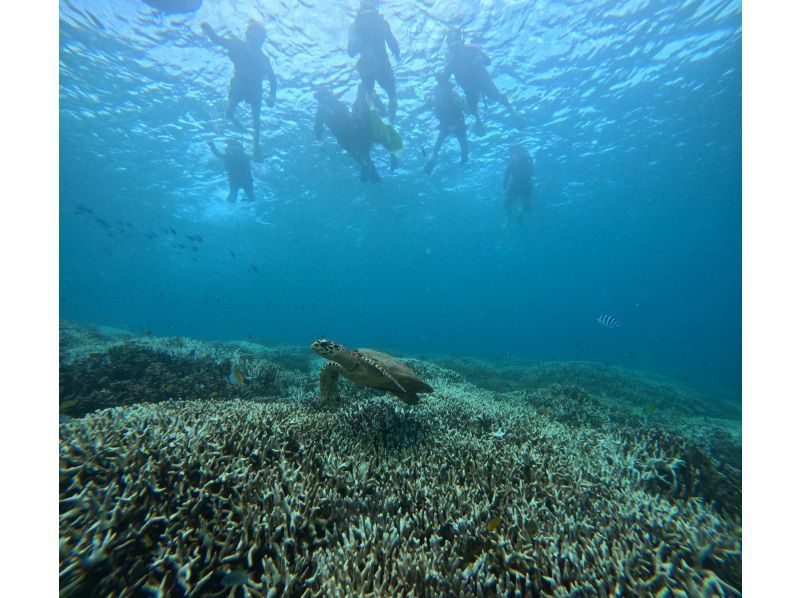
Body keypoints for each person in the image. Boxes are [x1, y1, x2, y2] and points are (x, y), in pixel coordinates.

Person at [201, 20, 277, 160]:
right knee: (228, 112)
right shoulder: (236, 44)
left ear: (261, 42)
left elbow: (273, 79)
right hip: (239, 84)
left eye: (257, 41)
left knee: (256, 118)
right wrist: (209, 30)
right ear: (246, 36)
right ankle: (241, 127)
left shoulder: (264, 59)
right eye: (251, 39)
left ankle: (255, 144)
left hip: (255, 88)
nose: (253, 44)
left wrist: (272, 96)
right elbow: (217, 40)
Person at [443, 28, 520, 135]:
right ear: (449, 49)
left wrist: (481, 59)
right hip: (470, 88)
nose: (456, 49)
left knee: (497, 96)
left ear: (462, 42)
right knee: (472, 108)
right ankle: (478, 119)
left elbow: (488, 61)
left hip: (483, 82)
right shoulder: (451, 61)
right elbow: (444, 79)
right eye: (452, 47)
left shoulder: (472, 50)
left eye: (457, 45)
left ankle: (512, 110)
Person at [348, 0, 400, 123]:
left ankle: (372, 110)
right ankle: (390, 124)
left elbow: (351, 52)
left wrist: (362, 43)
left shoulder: (355, 26)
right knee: (392, 96)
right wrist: (396, 52)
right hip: (383, 65)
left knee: (369, 93)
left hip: (366, 67)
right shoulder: (382, 23)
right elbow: (393, 44)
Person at [314, 88, 380, 183]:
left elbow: (347, 113)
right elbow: (318, 126)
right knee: (356, 155)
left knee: (364, 153)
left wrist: (333, 113)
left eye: (324, 98)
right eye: (321, 100)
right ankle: (364, 166)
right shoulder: (321, 111)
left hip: (353, 131)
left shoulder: (337, 104)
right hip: (343, 137)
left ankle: (369, 167)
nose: (323, 101)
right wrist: (319, 139)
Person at [424, 70, 468, 174]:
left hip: (452, 124)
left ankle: (462, 161)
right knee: (463, 148)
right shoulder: (445, 91)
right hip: (452, 124)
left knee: (437, 148)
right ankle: (463, 161)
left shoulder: (443, 92)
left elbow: (463, 106)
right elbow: (465, 108)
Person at [352, 82, 402, 172]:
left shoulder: (375, 100)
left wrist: (377, 109)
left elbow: (384, 113)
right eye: (362, 92)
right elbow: (354, 120)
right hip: (365, 130)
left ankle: (392, 157)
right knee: (364, 150)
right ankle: (369, 165)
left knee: (386, 140)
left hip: (376, 127)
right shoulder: (356, 103)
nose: (364, 94)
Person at [503, 145, 534, 224]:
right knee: (507, 204)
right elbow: (507, 174)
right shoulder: (511, 162)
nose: (515, 155)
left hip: (525, 185)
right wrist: (504, 186)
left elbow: (531, 173)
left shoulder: (527, 160)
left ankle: (520, 215)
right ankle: (510, 216)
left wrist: (505, 185)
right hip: (516, 185)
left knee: (527, 207)